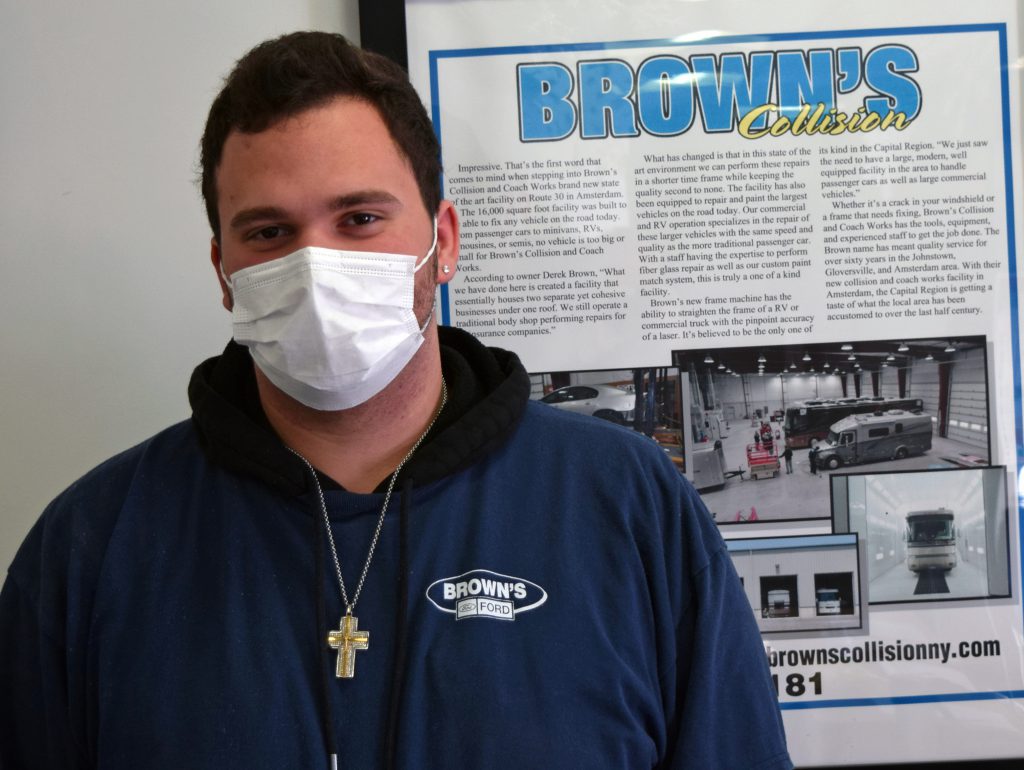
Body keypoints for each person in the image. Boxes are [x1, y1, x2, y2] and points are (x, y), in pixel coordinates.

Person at [0, 32, 791, 769]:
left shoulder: (626, 505)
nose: (315, 266)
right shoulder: (93, 546)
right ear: (222, 269)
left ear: (442, 240)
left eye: (360, 218)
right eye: (270, 234)